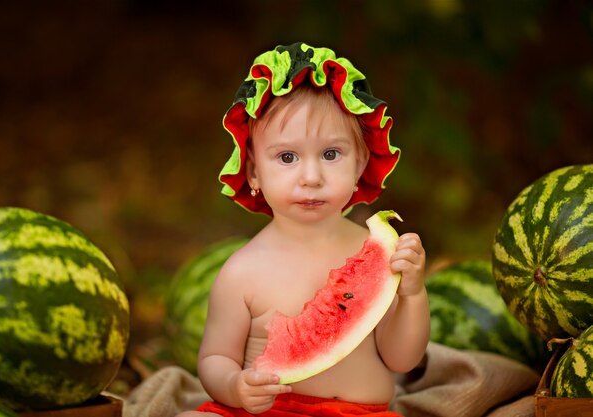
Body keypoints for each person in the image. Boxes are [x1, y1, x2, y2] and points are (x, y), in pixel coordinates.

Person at [180, 42, 429, 417]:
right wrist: (235, 387)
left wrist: (412, 295)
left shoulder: (379, 257)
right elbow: (216, 357)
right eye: (287, 157)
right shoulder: (241, 272)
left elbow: (402, 360)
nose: (311, 177)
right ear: (252, 173)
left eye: (331, 155)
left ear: (361, 163)